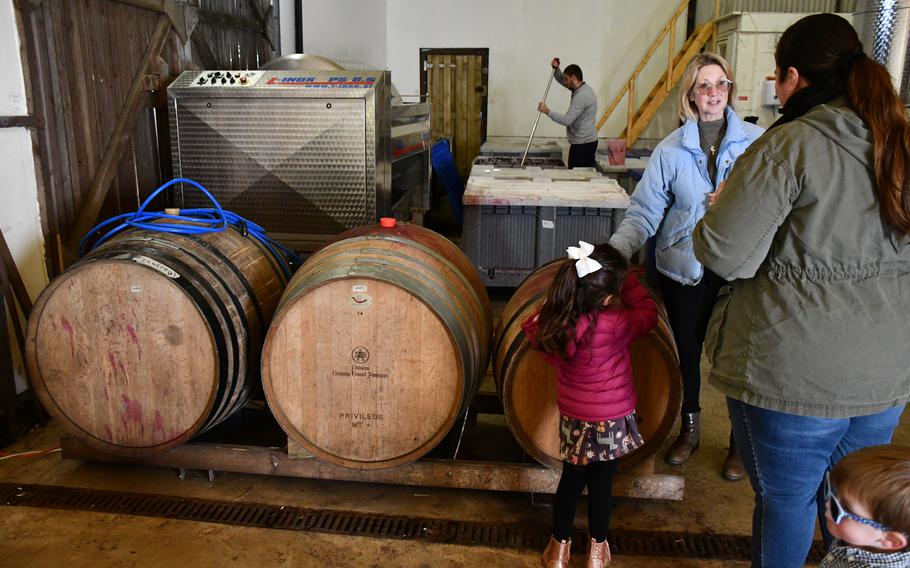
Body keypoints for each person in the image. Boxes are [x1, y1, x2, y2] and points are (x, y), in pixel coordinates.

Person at [692, 13, 910, 568]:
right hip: (884, 374)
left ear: (792, 77)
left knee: (787, 503)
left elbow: (726, 254)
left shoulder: (789, 145)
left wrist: (717, 213)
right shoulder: (899, 139)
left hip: (795, 370)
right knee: (855, 510)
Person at [607, 53, 763, 479]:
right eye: (704, 86)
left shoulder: (758, 142)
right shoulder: (670, 150)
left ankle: (737, 444)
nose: (713, 93)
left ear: (730, 88)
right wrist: (616, 252)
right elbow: (644, 212)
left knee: (737, 359)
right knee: (688, 355)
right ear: (691, 96)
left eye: (720, 84)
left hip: (739, 270)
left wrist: (735, 204)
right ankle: (690, 429)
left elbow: (776, 208)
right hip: (686, 267)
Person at [522, 241, 657, 568]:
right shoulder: (617, 323)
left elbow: (531, 329)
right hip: (612, 418)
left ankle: (559, 549)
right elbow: (649, 315)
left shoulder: (558, 321)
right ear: (610, 294)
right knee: (602, 486)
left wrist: (560, 300)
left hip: (576, 418)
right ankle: (597, 551)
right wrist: (629, 281)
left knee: (571, 479)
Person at [819, 445, 910, 568]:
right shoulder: (859, 539)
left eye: (844, 508)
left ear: (890, 540)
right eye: (834, 493)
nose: (828, 504)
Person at [538, 58, 598, 168]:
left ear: (573, 78)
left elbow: (567, 120)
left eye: (566, 79)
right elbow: (562, 79)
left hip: (584, 145)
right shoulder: (579, 88)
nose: (564, 83)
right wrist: (556, 69)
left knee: (578, 178)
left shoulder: (582, 95)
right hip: (581, 142)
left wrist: (547, 111)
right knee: (575, 174)